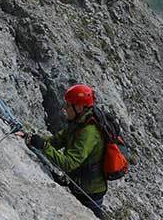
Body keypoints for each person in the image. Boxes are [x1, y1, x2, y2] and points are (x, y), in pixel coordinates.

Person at [24, 84, 107, 218]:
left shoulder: (89, 132)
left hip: (89, 192)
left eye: (68, 105)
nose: (65, 109)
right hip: (80, 184)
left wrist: (44, 146)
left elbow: (69, 163)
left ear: (79, 107)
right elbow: (57, 141)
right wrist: (33, 139)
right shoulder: (78, 122)